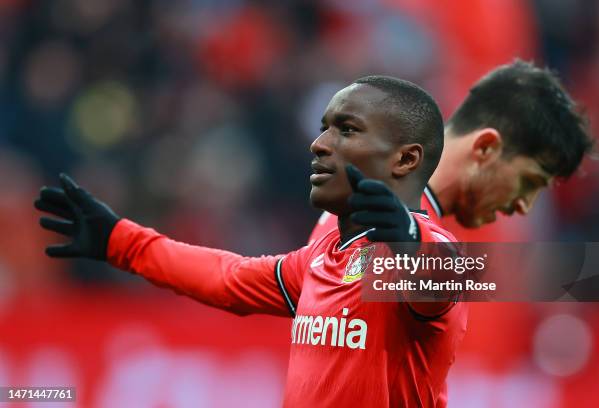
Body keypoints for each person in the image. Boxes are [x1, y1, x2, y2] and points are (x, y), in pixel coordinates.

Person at [35, 76, 466, 407]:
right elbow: (227, 277)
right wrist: (119, 241)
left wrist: (410, 241)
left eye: (347, 130)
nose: (319, 145)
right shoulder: (322, 256)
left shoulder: (428, 249)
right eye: (324, 128)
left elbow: (445, 285)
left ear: (406, 159)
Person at [309, 60, 594, 242]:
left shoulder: (358, 203)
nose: (524, 206)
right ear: (485, 148)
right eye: (529, 182)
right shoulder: (403, 239)